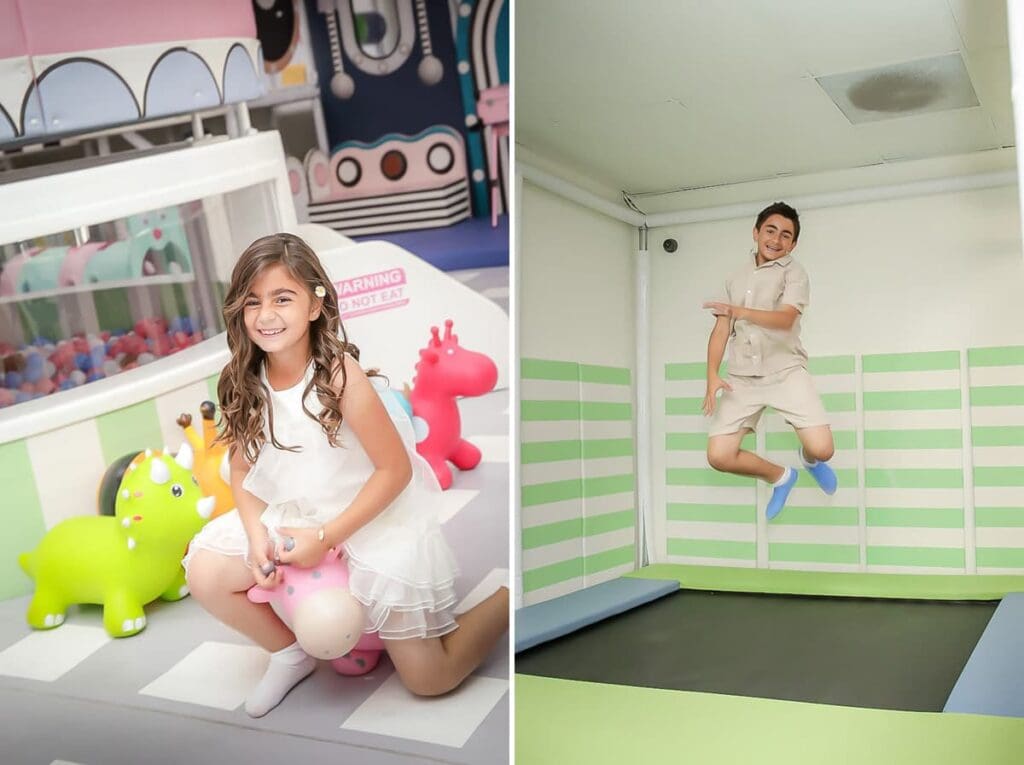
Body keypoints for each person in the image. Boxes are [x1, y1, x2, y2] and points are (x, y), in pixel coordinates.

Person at [184, 233, 508, 717]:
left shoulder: (338, 375)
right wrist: (255, 537)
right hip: (293, 518)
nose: (266, 315)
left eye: (282, 298)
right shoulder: (244, 378)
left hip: (366, 524)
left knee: (429, 678)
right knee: (204, 570)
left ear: (316, 305)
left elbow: (395, 470)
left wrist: (327, 535)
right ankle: (289, 653)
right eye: (252, 302)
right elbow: (243, 465)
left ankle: (509, 599)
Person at [701, 202, 836, 520]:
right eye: (770, 230)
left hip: (785, 371)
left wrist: (740, 312)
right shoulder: (734, 277)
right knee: (719, 456)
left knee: (823, 448)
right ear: (756, 232)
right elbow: (721, 330)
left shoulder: (795, 273)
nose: (776, 240)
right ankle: (781, 477)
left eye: (785, 235)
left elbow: (786, 319)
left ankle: (810, 461)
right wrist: (711, 375)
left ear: (793, 244)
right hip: (742, 377)